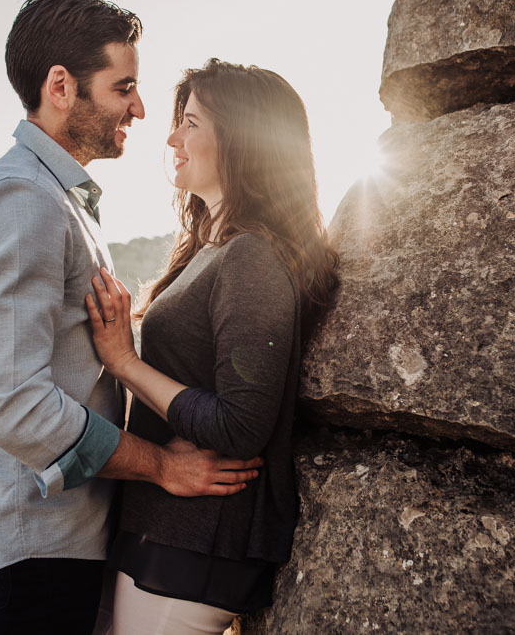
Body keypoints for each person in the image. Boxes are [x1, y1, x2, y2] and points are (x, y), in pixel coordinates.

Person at [0, 0, 262, 635]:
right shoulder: (21, 199)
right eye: (125, 87)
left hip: (66, 538)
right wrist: (161, 465)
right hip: (38, 546)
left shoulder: (56, 197)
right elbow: (11, 403)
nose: (141, 109)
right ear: (60, 86)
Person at [85, 58, 339, 634]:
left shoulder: (252, 256)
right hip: (166, 531)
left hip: (197, 543)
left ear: (243, 139)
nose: (172, 138)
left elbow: (242, 423)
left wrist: (123, 362)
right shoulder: (209, 250)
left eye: (192, 123)